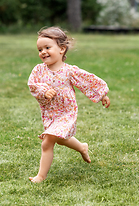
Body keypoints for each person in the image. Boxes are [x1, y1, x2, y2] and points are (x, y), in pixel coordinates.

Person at [28, 26, 110, 183]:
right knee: (60, 139)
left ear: (62, 49)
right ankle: (82, 147)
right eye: (40, 49)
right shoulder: (39, 70)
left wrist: (102, 95)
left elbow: (88, 81)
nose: (43, 52)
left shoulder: (69, 71)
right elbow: (32, 85)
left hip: (66, 113)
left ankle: (41, 177)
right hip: (50, 113)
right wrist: (44, 91)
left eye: (47, 47)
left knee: (47, 141)